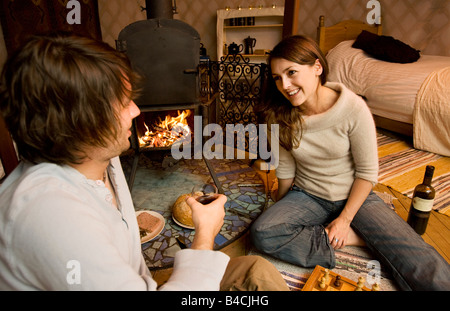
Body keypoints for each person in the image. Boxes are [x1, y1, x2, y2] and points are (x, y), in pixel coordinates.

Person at [0, 34, 288, 291]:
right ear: (82, 122)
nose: (137, 111)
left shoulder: (102, 159)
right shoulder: (53, 218)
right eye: (123, 103)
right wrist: (204, 232)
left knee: (255, 270)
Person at [250, 35, 450, 291]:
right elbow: (287, 169)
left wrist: (344, 220)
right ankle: (360, 240)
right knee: (263, 231)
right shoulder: (279, 115)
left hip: (356, 196)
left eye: (291, 73)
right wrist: (283, 209)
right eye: (277, 77)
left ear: (317, 68)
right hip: (308, 195)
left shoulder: (353, 108)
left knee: (419, 259)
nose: (285, 85)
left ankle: (361, 235)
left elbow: (367, 173)